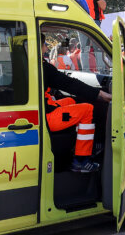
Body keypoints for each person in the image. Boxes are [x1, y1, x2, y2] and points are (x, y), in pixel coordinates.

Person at [41, 36, 112, 172]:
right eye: (44, 44)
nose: (46, 47)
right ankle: (81, 160)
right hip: (47, 115)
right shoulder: (42, 66)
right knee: (87, 109)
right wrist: (100, 94)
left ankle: (81, 144)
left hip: (46, 106)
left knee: (72, 101)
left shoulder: (35, 64)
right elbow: (68, 83)